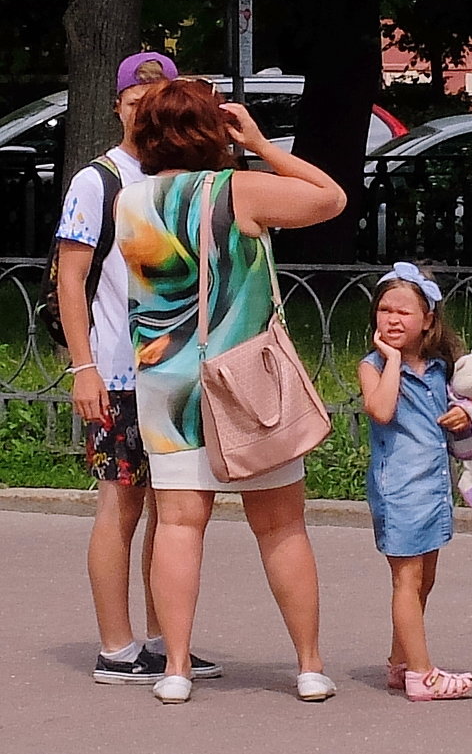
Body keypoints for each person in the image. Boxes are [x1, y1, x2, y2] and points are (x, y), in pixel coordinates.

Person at [114, 77, 346, 704]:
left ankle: (176, 669)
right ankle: (309, 665)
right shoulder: (237, 190)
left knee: (180, 526)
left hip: (166, 382)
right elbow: (329, 198)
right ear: (214, 130)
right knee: (280, 525)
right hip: (245, 380)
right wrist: (263, 145)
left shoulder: (132, 201)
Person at [57, 51, 220, 685]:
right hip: (121, 374)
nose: (145, 108)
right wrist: (84, 368)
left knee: (171, 511)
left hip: (175, 373)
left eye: (158, 98)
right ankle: (114, 645)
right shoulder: (99, 180)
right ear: (119, 105)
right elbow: (72, 279)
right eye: (135, 100)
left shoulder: (180, 175)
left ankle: (162, 638)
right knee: (120, 506)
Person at [357, 262, 472, 702]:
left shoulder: (440, 368)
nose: (391, 319)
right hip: (399, 491)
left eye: (403, 312)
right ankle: (422, 676)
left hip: (433, 488)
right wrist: (390, 360)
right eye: (384, 309)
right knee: (406, 580)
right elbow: (383, 410)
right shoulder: (372, 366)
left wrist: (464, 418)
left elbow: (464, 422)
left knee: (425, 579)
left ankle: (400, 661)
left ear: (427, 320)